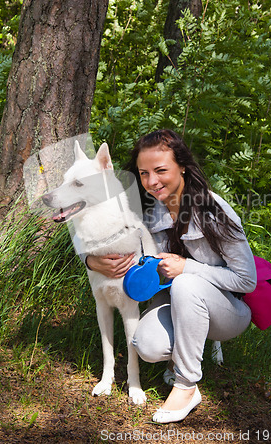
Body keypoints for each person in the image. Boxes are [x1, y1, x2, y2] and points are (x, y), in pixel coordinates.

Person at [85, 129, 257, 423]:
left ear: (183, 167)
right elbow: (100, 223)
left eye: (161, 170)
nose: (152, 181)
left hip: (228, 312)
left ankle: (186, 385)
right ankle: (180, 354)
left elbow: (246, 280)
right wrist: (91, 261)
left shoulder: (214, 209)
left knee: (187, 283)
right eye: (143, 173)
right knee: (146, 344)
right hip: (175, 304)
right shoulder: (146, 212)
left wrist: (186, 268)